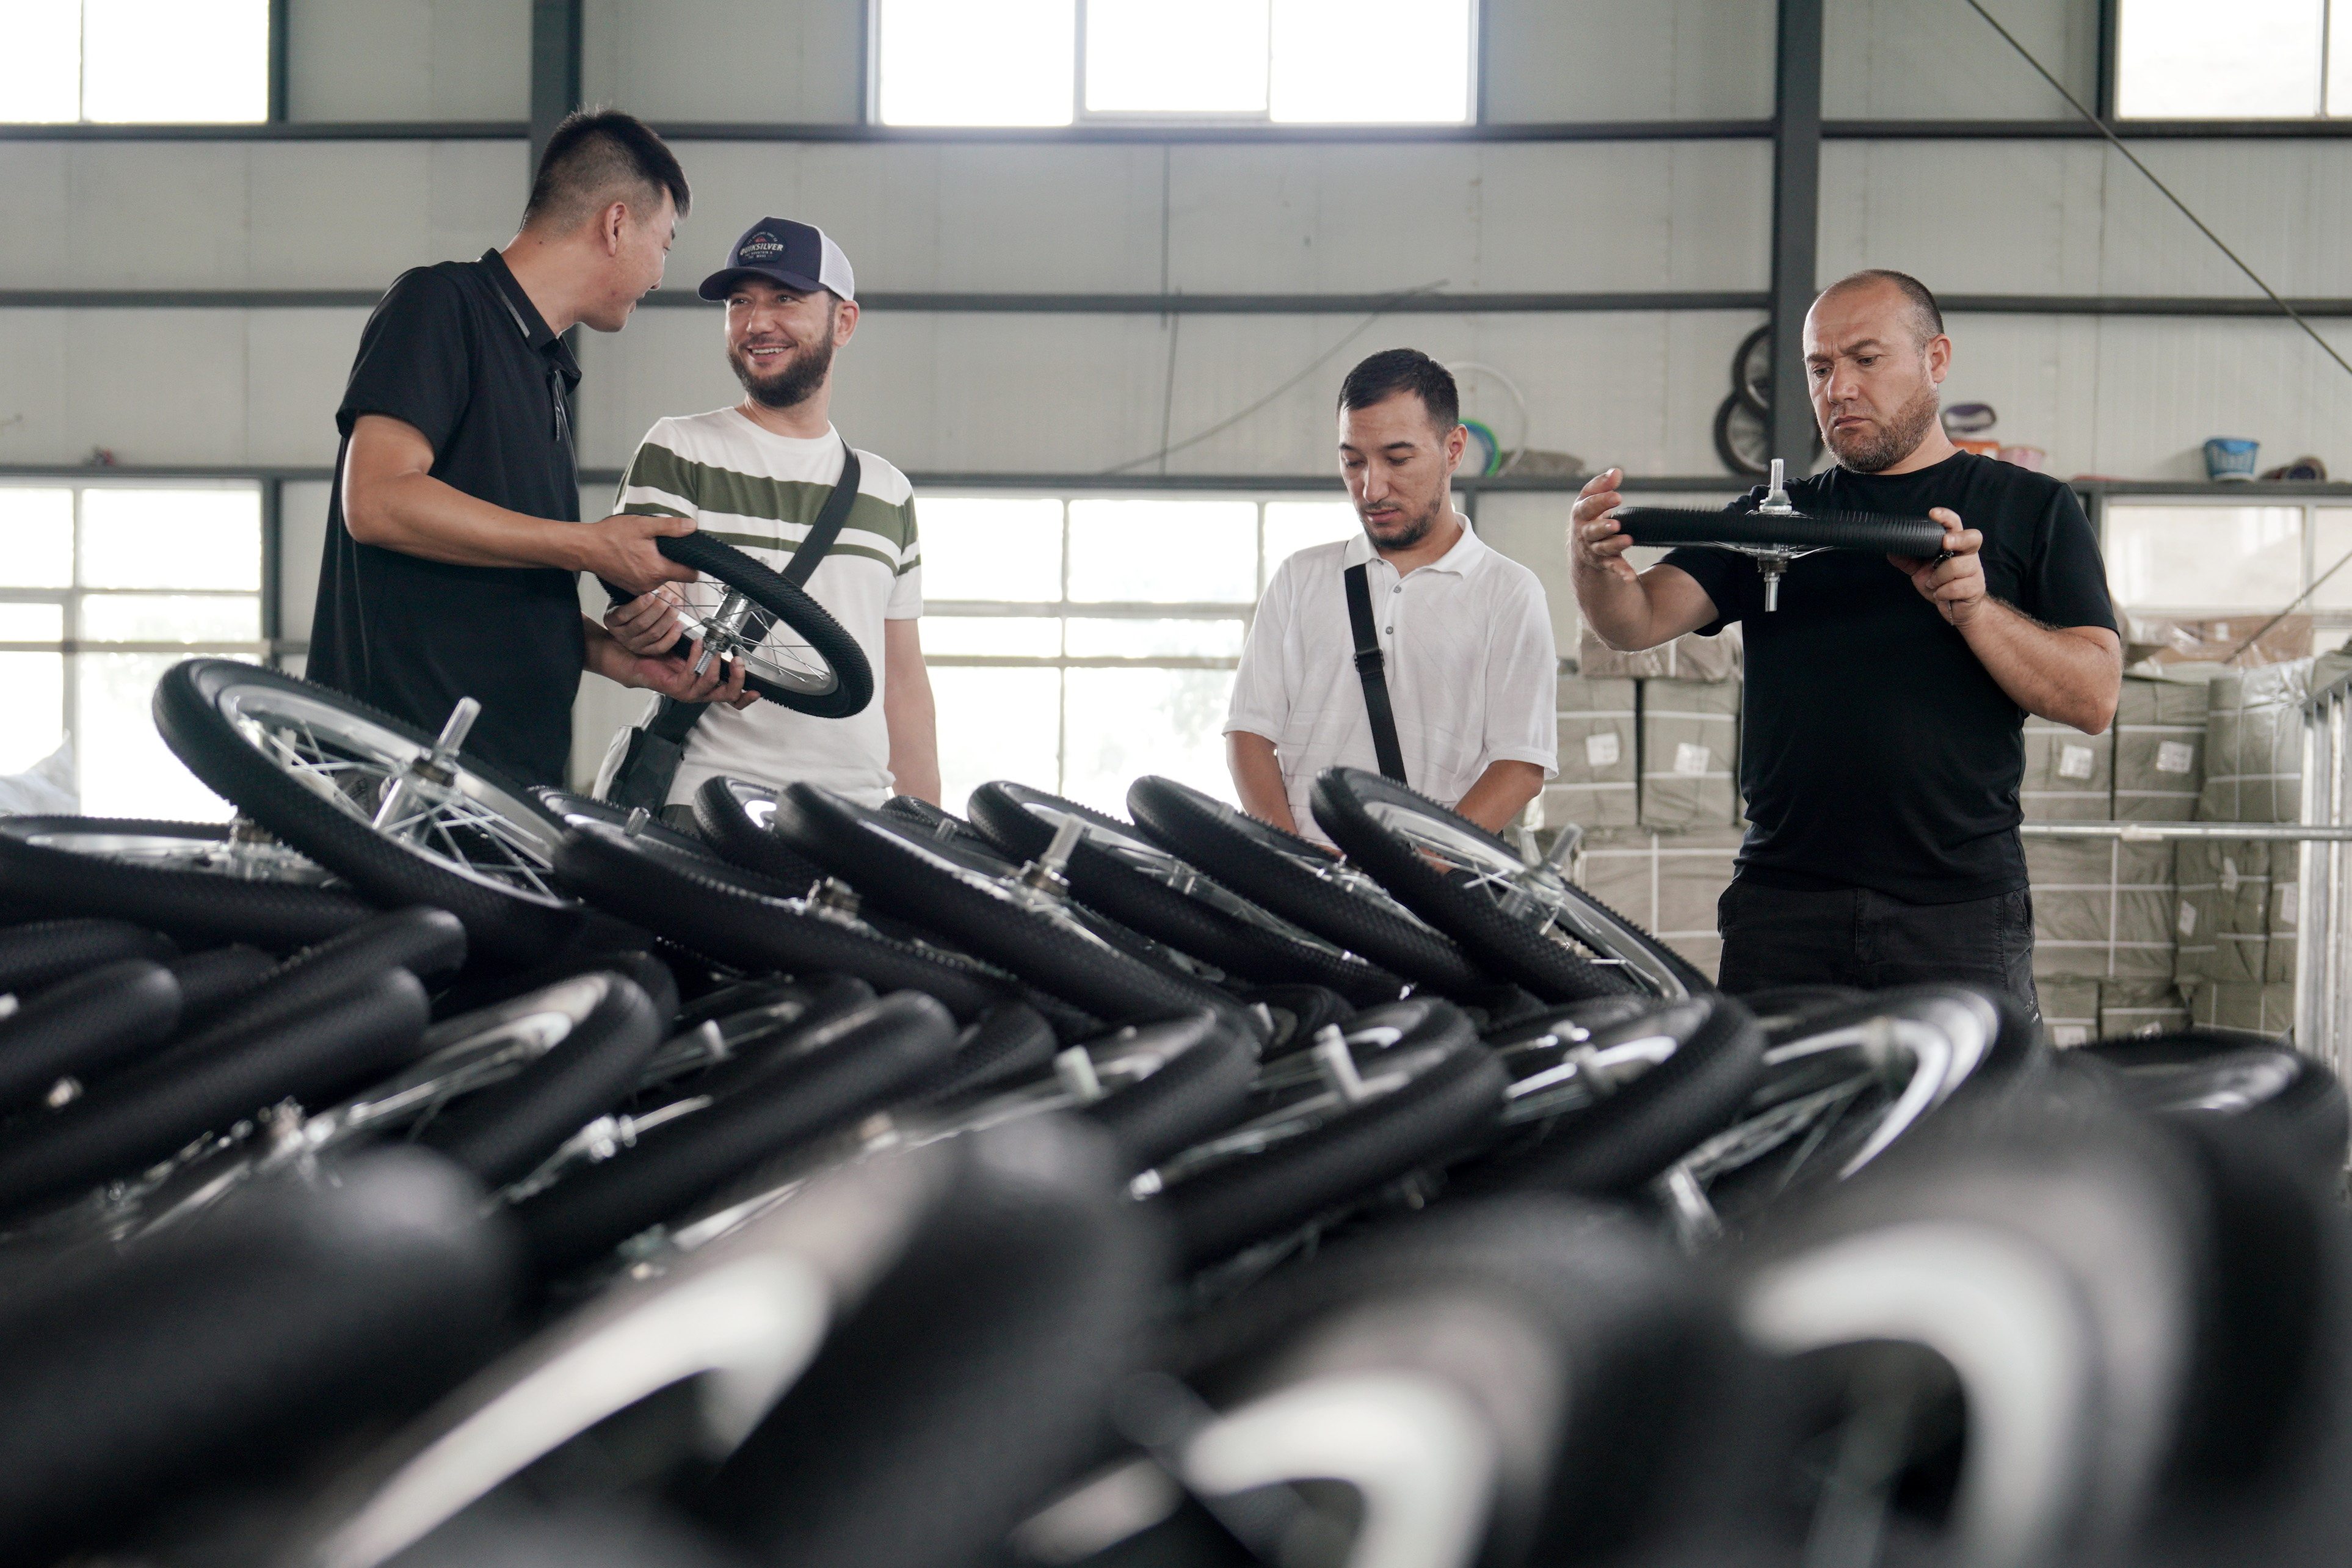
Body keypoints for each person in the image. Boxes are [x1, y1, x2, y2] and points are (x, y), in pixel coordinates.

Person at [1570, 269, 2122, 1009]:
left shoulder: (2031, 508)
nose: (1839, 389)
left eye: (1867, 359)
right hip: (1784, 907)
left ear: (1936, 360)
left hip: (1955, 914)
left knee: (1971, 1126)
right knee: (1782, 1123)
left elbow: (2095, 696)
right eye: (1821, 368)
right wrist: (1592, 561)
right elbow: (1632, 621)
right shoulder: (1774, 518)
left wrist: (1977, 610)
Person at [311, 108, 747, 789]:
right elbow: (377, 501)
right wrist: (591, 545)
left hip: (500, 789)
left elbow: (493, 592)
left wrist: (617, 659)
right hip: (397, 774)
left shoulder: (543, 373)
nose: (662, 274)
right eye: (664, 242)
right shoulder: (442, 305)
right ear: (616, 223)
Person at [597, 217, 938, 820]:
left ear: (844, 321)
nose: (758, 322)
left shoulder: (887, 491)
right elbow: (653, 595)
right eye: (740, 303)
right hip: (706, 803)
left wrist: (930, 833)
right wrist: (649, 624)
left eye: (785, 298)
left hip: (855, 814)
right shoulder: (680, 448)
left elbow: (904, 683)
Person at [1227, 349, 1557, 843]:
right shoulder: (1302, 579)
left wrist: (1418, 872)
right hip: (1309, 889)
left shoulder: (1508, 593)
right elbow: (1248, 737)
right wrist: (1297, 862)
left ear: (1453, 448)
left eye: (1398, 459)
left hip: (1434, 895)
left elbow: (1520, 766)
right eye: (1352, 462)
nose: (1371, 488)